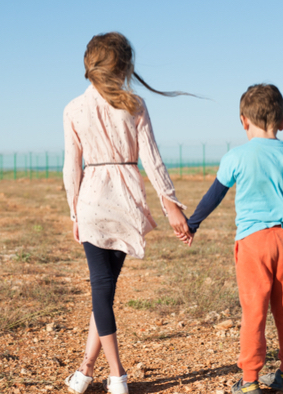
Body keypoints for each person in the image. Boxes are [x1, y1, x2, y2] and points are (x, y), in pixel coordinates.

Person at [62, 32, 192, 394]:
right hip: (125, 201)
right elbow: (152, 159)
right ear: (125, 67)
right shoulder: (134, 104)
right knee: (104, 290)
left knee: (102, 291)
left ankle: (111, 374)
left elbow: (71, 169)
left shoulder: (73, 108)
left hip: (90, 200)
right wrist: (170, 204)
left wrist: (74, 212)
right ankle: (94, 370)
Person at [178, 84, 283, 394]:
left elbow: (215, 195)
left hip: (252, 242)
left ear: (243, 120)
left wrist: (192, 224)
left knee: (254, 309)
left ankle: (249, 381)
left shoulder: (236, 156)